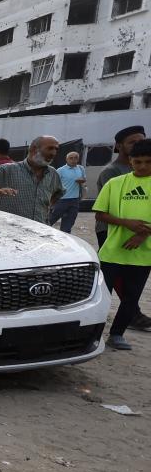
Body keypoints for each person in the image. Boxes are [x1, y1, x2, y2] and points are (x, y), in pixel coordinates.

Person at [93, 139, 151, 350]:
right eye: (138, 161)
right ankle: (93, 335)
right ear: (130, 161)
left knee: (131, 297)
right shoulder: (115, 183)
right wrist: (127, 223)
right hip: (112, 251)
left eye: (148, 162)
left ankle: (117, 334)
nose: (142, 166)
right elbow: (100, 214)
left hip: (144, 255)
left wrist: (142, 235)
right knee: (100, 295)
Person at [0, 135, 62, 223]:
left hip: (39, 230)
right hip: (10, 229)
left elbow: (58, 192)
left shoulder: (53, 174)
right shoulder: (8, 169)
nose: (53, 153)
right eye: (50, 148)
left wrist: (45, 206)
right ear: (33, 149)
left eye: (56, 149)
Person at [50, 151, 86, 233]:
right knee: (50, 220)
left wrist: (82, 180)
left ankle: (63, 238)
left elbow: (84, 179)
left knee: (68, 225)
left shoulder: (81, 169)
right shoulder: (60, 170)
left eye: (75, 158)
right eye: (71, 158)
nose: (73, 160)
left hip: (75, 200)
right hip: (62, 200)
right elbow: (53, 184)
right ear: (66, 159)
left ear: (78, 159)